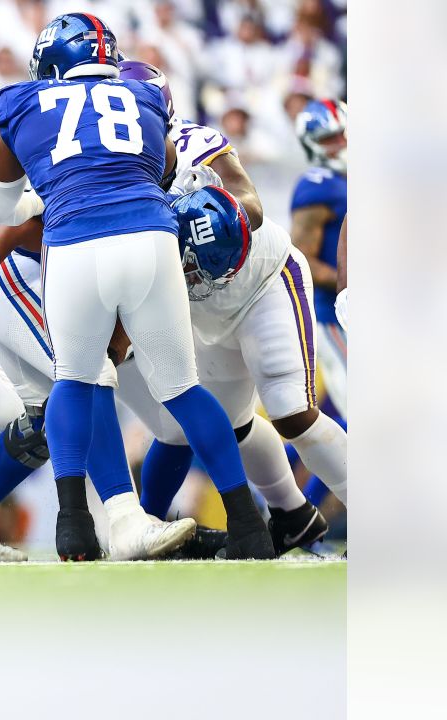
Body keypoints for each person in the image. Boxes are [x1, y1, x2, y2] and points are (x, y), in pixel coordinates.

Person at [0, 14, 274, 559]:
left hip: (76, 243)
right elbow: (163, 168)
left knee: (74, 379)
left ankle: (73, 523)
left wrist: (40, 199)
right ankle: (248, 524)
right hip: (151, 239)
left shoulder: (22, 102)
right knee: (183, 389)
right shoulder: (144, 96)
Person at [110, 62, 341, 552]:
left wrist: (210, 217)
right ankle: (293, 514)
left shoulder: (195, 143)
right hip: (200, 310)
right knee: (229, 425)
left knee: (291, 412)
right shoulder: (113, 174)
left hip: (261, 282)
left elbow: (250, 203)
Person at [290, 100, 348, 419]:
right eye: (330, 137)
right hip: (336, 315)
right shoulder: (316, 187)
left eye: (344, 133)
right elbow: (303, 260)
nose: (341, 142)